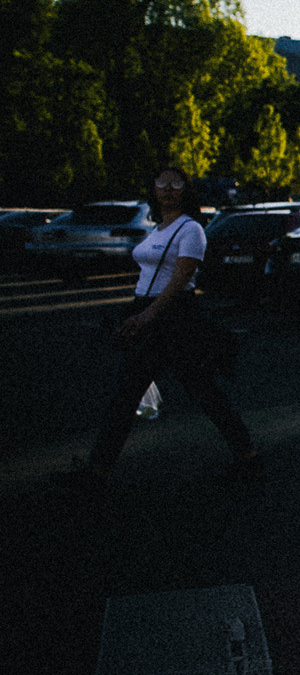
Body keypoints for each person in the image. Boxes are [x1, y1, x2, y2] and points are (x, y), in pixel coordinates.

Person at [55, 166, 258, 489]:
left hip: (175, 318)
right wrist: (137, 312)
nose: (168, 188)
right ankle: (97, 471)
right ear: (153, 189)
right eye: (162, 182)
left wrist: (147, 316)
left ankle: (247, 456)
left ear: (186, 191)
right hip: (147, 310)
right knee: (130, 395)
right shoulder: (158, 228)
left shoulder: (191, 229)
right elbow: (149, 274)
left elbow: (180, 280)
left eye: (176, 183)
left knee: (203, 393)